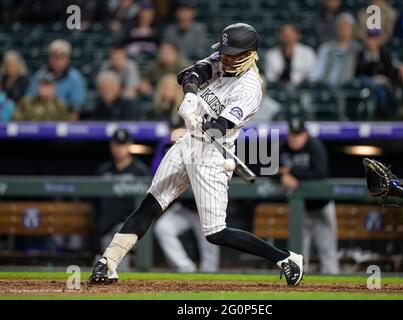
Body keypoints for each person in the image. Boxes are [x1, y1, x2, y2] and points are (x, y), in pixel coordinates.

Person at [89, 23, 304, 287]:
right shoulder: (222, 60)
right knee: (151, 203)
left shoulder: (250, 88)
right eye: (224, 52)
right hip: (189, 142)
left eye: (232, 53)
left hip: (212, 154)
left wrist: (203, 120)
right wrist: (191, 97)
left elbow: (221, 126)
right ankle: (107, 263)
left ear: (248, 54)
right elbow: (190, 74)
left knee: (215, 233)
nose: (224, 57)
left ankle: (286, 258)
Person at [154, 123, 219, 273]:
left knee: (212, 241)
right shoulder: (170, 149)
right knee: (163, 227)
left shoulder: (203, 145)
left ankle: (210, 278)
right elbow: (155, 169)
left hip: (206, 209)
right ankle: (185, 268)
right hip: (184, 208)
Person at [278, 118, 339, 274]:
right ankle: (298, 287)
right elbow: (269, 169)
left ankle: (334, 290)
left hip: (321, 207)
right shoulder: (283, 148)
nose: (294, 138)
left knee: (327, 251)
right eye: (292, 134)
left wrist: (291, 173)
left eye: (298, 134)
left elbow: (320, 172)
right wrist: (281, 176)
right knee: (298, 253)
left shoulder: (314, 146)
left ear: (305, 134)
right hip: (300, 209)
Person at [95, 128, 150, 271]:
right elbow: (95, 204)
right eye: (116, 145)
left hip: (130, 226)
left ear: (129, 145)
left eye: (123, 145)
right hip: (105, 226)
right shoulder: (103, 170)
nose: (119, 149)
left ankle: (118, 281)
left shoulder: (140, 170)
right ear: (111, 146)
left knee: (116, 242)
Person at [355, 28, 403, 118]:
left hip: (383, 89)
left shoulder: (386, 54)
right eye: (370, 38)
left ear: (379, 40)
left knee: (380, 91)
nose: (372, 41)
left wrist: (401, 66)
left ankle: (379, 112)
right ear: (366, 39)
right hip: (364, 86)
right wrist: (374, 80)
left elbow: (391, 74)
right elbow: (357, 75)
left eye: (375, 38)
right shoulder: (361, 54)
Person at [26, 39, 86, 119]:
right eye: (54, 56)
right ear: (49, 58)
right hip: (38, 120)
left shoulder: (76, 79)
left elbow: (75, 110)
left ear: (68, 59)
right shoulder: (39, 76)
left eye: (62, 56)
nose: (57, 60)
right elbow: (29, 101)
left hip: (64, 122)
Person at [310, 13, 361, 87]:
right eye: (341, 29)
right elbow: (317, 71)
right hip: (326, 87)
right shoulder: (326, 48)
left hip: (348, 88)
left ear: (352, 31)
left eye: (346, 29)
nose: (344, 32)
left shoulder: (358, 49)